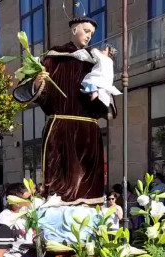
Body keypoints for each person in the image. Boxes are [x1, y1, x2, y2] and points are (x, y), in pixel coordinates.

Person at [13, 17, 111, 204]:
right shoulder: (53, 58)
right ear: (74, 30)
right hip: (62, 126)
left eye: (92, 33)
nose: (89, 36)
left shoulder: (95, 60)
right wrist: (38, 82)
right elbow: (35, 91)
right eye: (86, 30)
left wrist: (102, 86)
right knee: (63, 175)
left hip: (89, 129)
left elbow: (105, 97)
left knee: (88, 176)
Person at [0, 183, 32, 257]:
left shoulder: (27, 215)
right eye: (28, 198)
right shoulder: (5, 220)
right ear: (16, 200)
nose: (31, 201)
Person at [80, 44, 121, 115]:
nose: (103, 50)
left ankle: (94, 103)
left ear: (108, 52)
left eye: (105, 50)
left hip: (97, 80)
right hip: (106, 83)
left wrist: (97, 50)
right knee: (105, 96)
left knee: (92, 89)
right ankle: (107, 108)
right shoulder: (110, 62)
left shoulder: (103, 58)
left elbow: (94, 51)